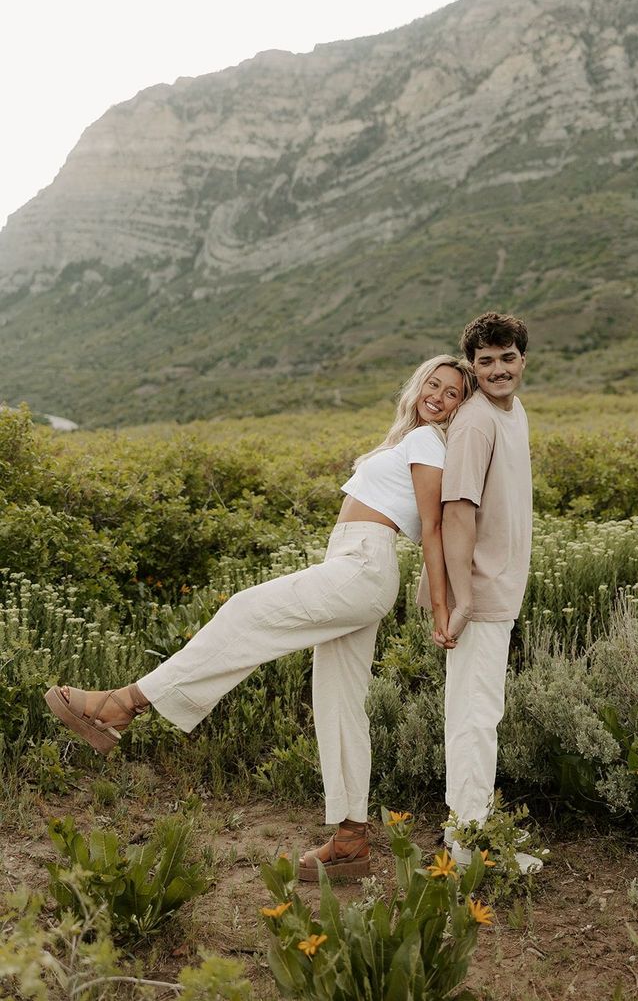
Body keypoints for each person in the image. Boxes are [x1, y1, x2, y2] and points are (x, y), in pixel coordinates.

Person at [44, 355, 475, 881]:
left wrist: (440, 605)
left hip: (365, 565)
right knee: (338, 703)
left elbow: (433, 527)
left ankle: (124, 704)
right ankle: (350, 840)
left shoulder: (431, 443)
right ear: (419, 384)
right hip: (350, 563)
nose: (439, 396)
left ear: (459, 405)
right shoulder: (409, 437)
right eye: (434, 384)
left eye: (453, 393)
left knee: (245, 609)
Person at [417, 312, 533, 864]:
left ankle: (469, 835)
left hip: (494, 592)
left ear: (522, 360)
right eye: (484, 361)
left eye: (506, 358)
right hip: (477, 597)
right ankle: (468, 846)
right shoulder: (476, 422)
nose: (497, 369)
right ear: (474, 366)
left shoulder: (514, 413)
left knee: (480, 712)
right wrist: (460, 601)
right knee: (474, 716)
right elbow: (456, 513)